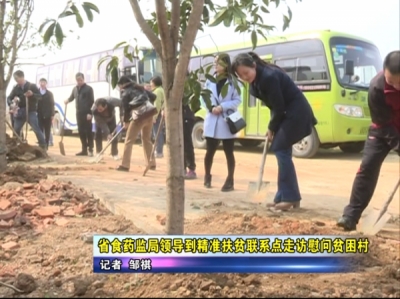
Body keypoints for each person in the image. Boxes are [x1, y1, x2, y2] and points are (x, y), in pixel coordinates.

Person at [231, 52, 318, 210]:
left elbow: (278, 107)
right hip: (286, 114)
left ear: (253, 66)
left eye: (246, 72)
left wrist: (272, 127)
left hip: (296, 113)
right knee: (282, 151)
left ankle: (290, 197)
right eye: (241, 75)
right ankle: (283, 196)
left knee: (280, 149)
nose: (245, 77)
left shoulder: (269, 77)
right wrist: (272, 127)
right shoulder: (256, 81)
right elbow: (274, 106)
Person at [337, 51, 400, 231]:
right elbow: (384, 123)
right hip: (383, 130)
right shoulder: (376, 87)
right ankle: (350, 216)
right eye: (391, 81)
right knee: (367, 167)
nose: (396, 86)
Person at [203, 53, 242, 192]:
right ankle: (207, 176)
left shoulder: (233, 81)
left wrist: (223, 106)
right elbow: (203, 97)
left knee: (229, 152)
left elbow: (238, 100)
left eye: (218, 62)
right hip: (212, 119)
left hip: (227, 121)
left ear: (226, 65)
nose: (215, 65)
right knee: (209, 152)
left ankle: (230, 180)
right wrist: (211, 107)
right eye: (214, 62)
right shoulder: (210, 80)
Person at [116, 76, 157, 172]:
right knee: (147, 139)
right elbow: (153, 97)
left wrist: (126, 122)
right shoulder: (139, 88)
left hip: (139, 117)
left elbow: (126, 109)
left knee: (129, 140)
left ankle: (125, 165)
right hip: (149, 114)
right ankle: (151, 164)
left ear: (122, 85)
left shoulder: (125, 93)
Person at [6, 70, 47, 149]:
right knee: (16, 129)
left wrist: (32, 94)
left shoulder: (32, 86)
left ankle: (43, 145)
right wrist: (11, 103)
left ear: (22, 77)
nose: (17, 81)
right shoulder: (16, 88)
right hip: (20, 112)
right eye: (16, 80)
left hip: (31, 111)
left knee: (36, 128)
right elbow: (9, 97)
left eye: (18, 79)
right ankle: (17, 145)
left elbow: (39, 97)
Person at [64, 73, 94, 156]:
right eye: (78, 80)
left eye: (81, 80)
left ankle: (91, 149)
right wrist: (67, 100)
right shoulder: (75, 89)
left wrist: (90, 113)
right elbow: (71, 97)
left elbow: (92, 101)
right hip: (78, 113)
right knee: (81, 132)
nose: (79, 82)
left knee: (88, 131)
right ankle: (84, 149)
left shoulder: (89, 89)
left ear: (83, 79)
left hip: (87, 113)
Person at [182, 77, 197, 180]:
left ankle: (191, 169)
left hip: (187, 117)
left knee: (187, 143)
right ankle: (181, 168)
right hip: (177, 117)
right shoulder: (172, 83)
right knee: (178, 144)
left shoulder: (190, 85)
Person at [150, 76, 165, 158]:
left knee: (157, 133)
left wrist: (154, 117)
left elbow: (157, 105)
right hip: (160, 113)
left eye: (151, 82)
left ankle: (159, 152)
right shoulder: (160, 90)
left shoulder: (157, 92)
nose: (150, 83)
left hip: (158, 114)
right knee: (158, 133)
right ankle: (158, 150)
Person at [37, 78, 55, 149]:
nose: (42, 84)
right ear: (39, 83)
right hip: (39, 114)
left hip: (48, 114)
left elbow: (52, 104)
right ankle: (41, 144)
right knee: (39, 130)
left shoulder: (49, 94)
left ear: (46, 84)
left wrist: (52, 114)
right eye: (41, 82)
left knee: (47, 130)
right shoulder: (36, 93)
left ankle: (46, 145)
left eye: (44, 82)